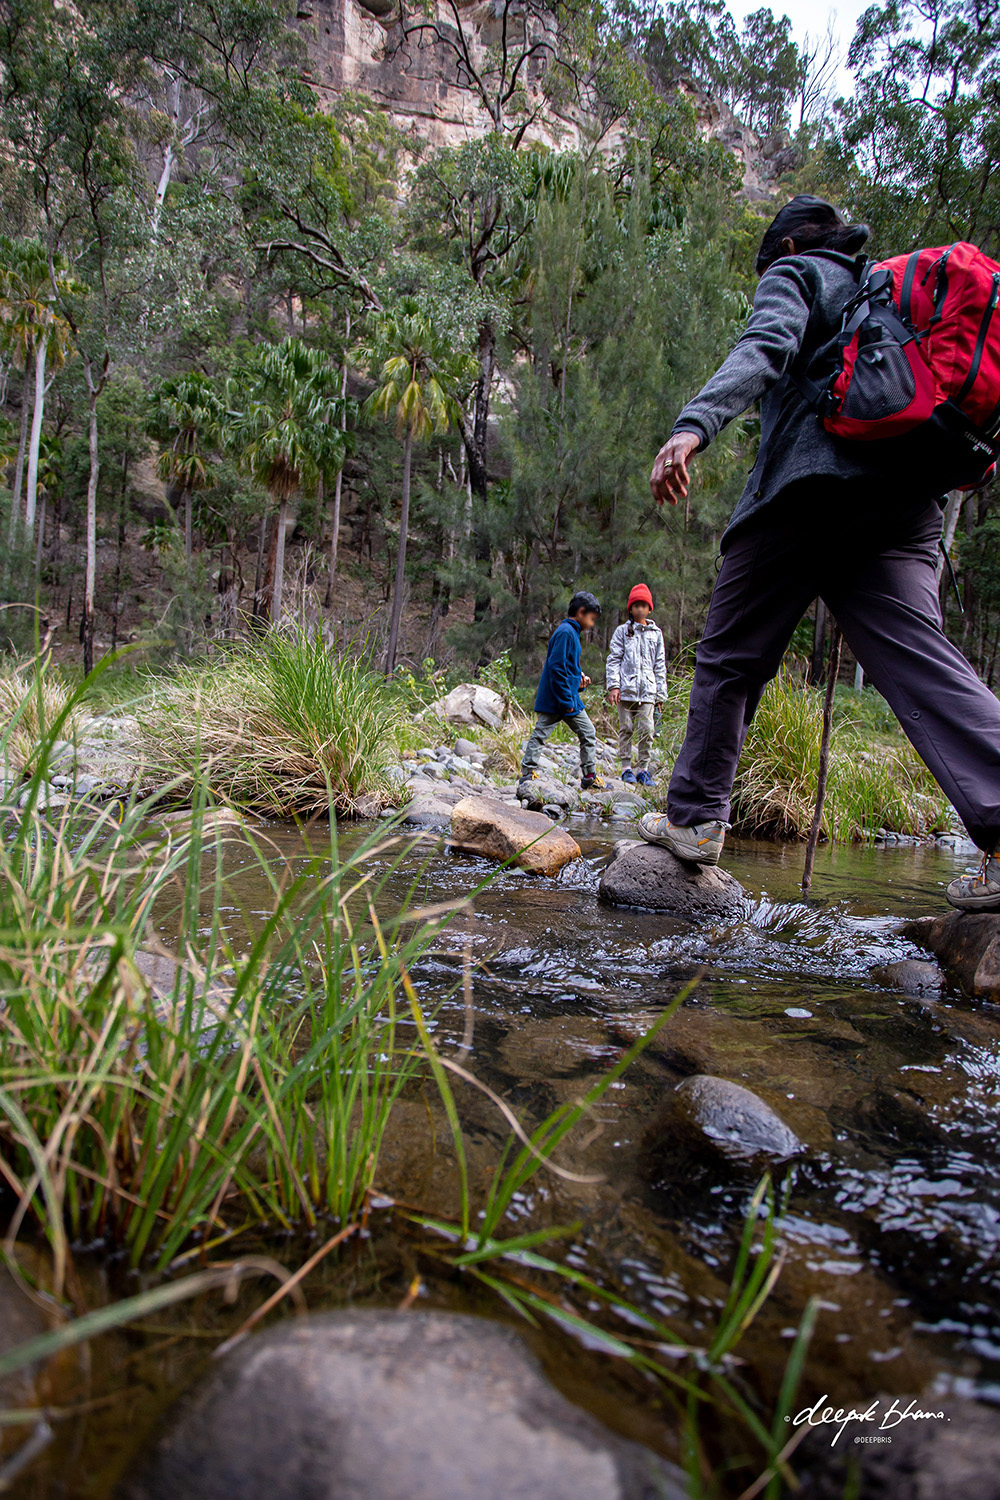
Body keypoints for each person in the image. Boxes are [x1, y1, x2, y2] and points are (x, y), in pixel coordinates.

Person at [638, 193, 1000, 911]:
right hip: (907, 507)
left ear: (789, 249)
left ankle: (694, 819)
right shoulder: (885, 297)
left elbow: (764, 346)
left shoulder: (801, 275)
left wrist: (694, 426)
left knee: (731, 657)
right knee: (920, 661)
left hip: (809, 492)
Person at [520, 591, 605, 798]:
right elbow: (556, 667)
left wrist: (580, 681)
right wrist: (567, 700)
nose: (592, 624)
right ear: (581, 612)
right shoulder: (566, 632)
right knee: (544, 733)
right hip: (561, 700)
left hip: (566, 697)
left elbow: (568, 668)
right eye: (592, 619)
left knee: (586, 733)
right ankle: (528, 773)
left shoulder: (571, 633)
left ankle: (589, 776)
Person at [606, 584, 667, 785]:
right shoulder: (622, 632)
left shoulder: (656, 634)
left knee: (647, 729)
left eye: (643, 605)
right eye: (636, 605)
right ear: (630, 609)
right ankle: (626, 768)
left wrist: (660, 695)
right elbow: (614, 659)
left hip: (648, 691)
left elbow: (660, 664)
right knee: (626, 728)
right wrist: (614, 686)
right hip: (626, 691)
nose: (640, 609)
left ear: (649, 608)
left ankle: (644, 769)